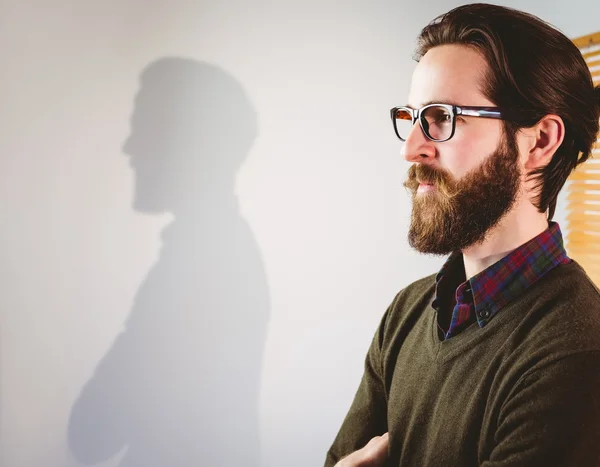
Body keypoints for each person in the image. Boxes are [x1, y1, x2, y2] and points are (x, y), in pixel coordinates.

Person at [324, 4, 600, 466]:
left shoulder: (574, 352)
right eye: (411, 117)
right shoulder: (407, 313)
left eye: (442, 117)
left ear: (540, 141)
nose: (411, 148)